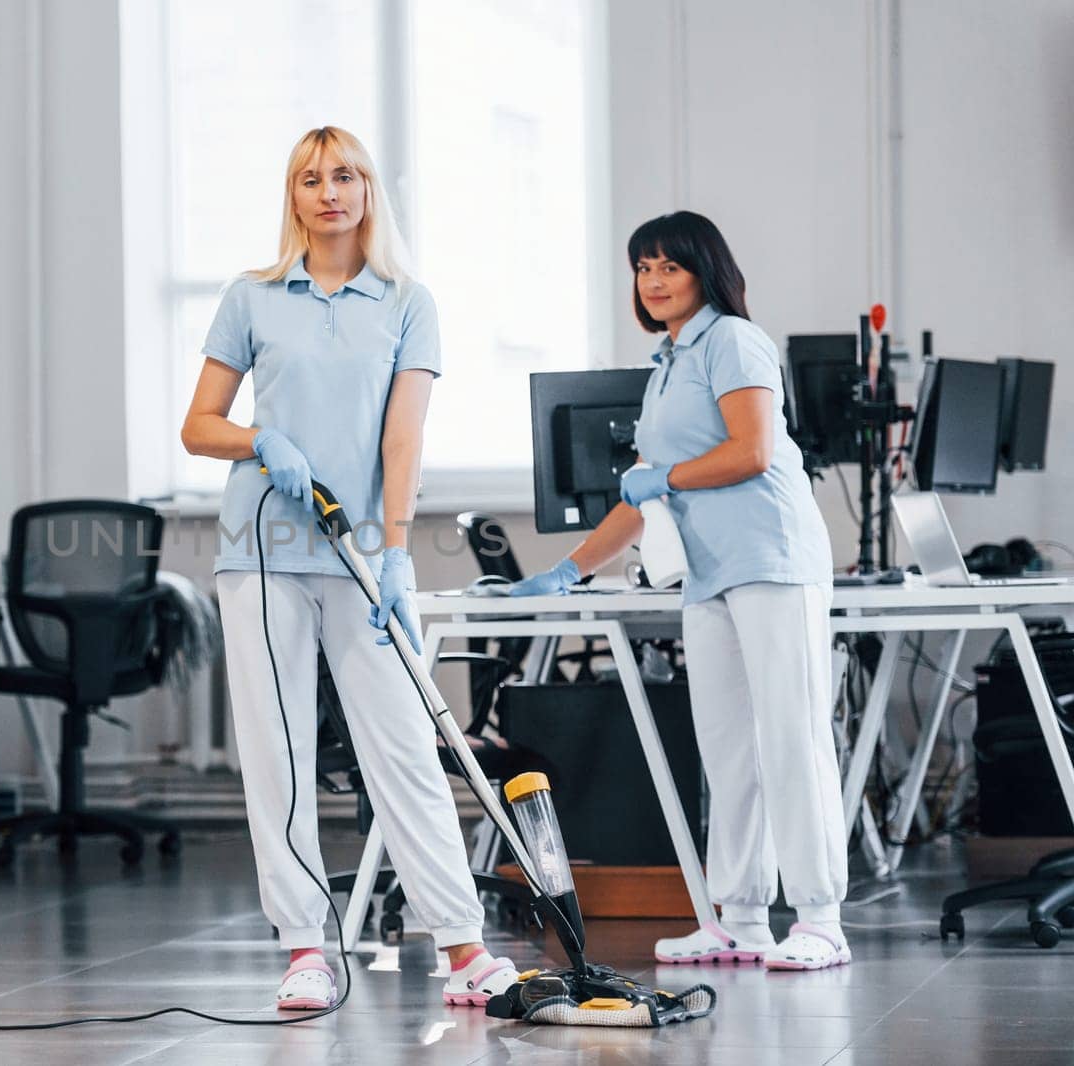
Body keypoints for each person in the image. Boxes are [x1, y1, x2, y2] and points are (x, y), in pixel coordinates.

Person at [179, 126, 517, 1010]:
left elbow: (404, 434)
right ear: (291, 196)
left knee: (403, 748)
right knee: (279, 749)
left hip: (362, 556)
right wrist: (261, 438)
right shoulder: (252, 298)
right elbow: (199, 424)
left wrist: (397, 553)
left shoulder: (407, 301)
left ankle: (465, 948)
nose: (329, 191)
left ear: (370, 190)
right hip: (259, 553)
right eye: (309, 178)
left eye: (346, 175)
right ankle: (304, 949)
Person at [510, 211, 850, 971]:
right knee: (729, 750)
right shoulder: (666, 364)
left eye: (669, 266)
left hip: (771, 558)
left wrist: (661, 476)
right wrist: (568, 569)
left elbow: (752, 451)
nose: (654, 281)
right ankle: (743, 917)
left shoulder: (732, 340)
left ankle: (822, 917)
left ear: (705, 270)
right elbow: (639, 500)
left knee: (790, 739)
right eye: (642, 268)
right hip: (708, 573)